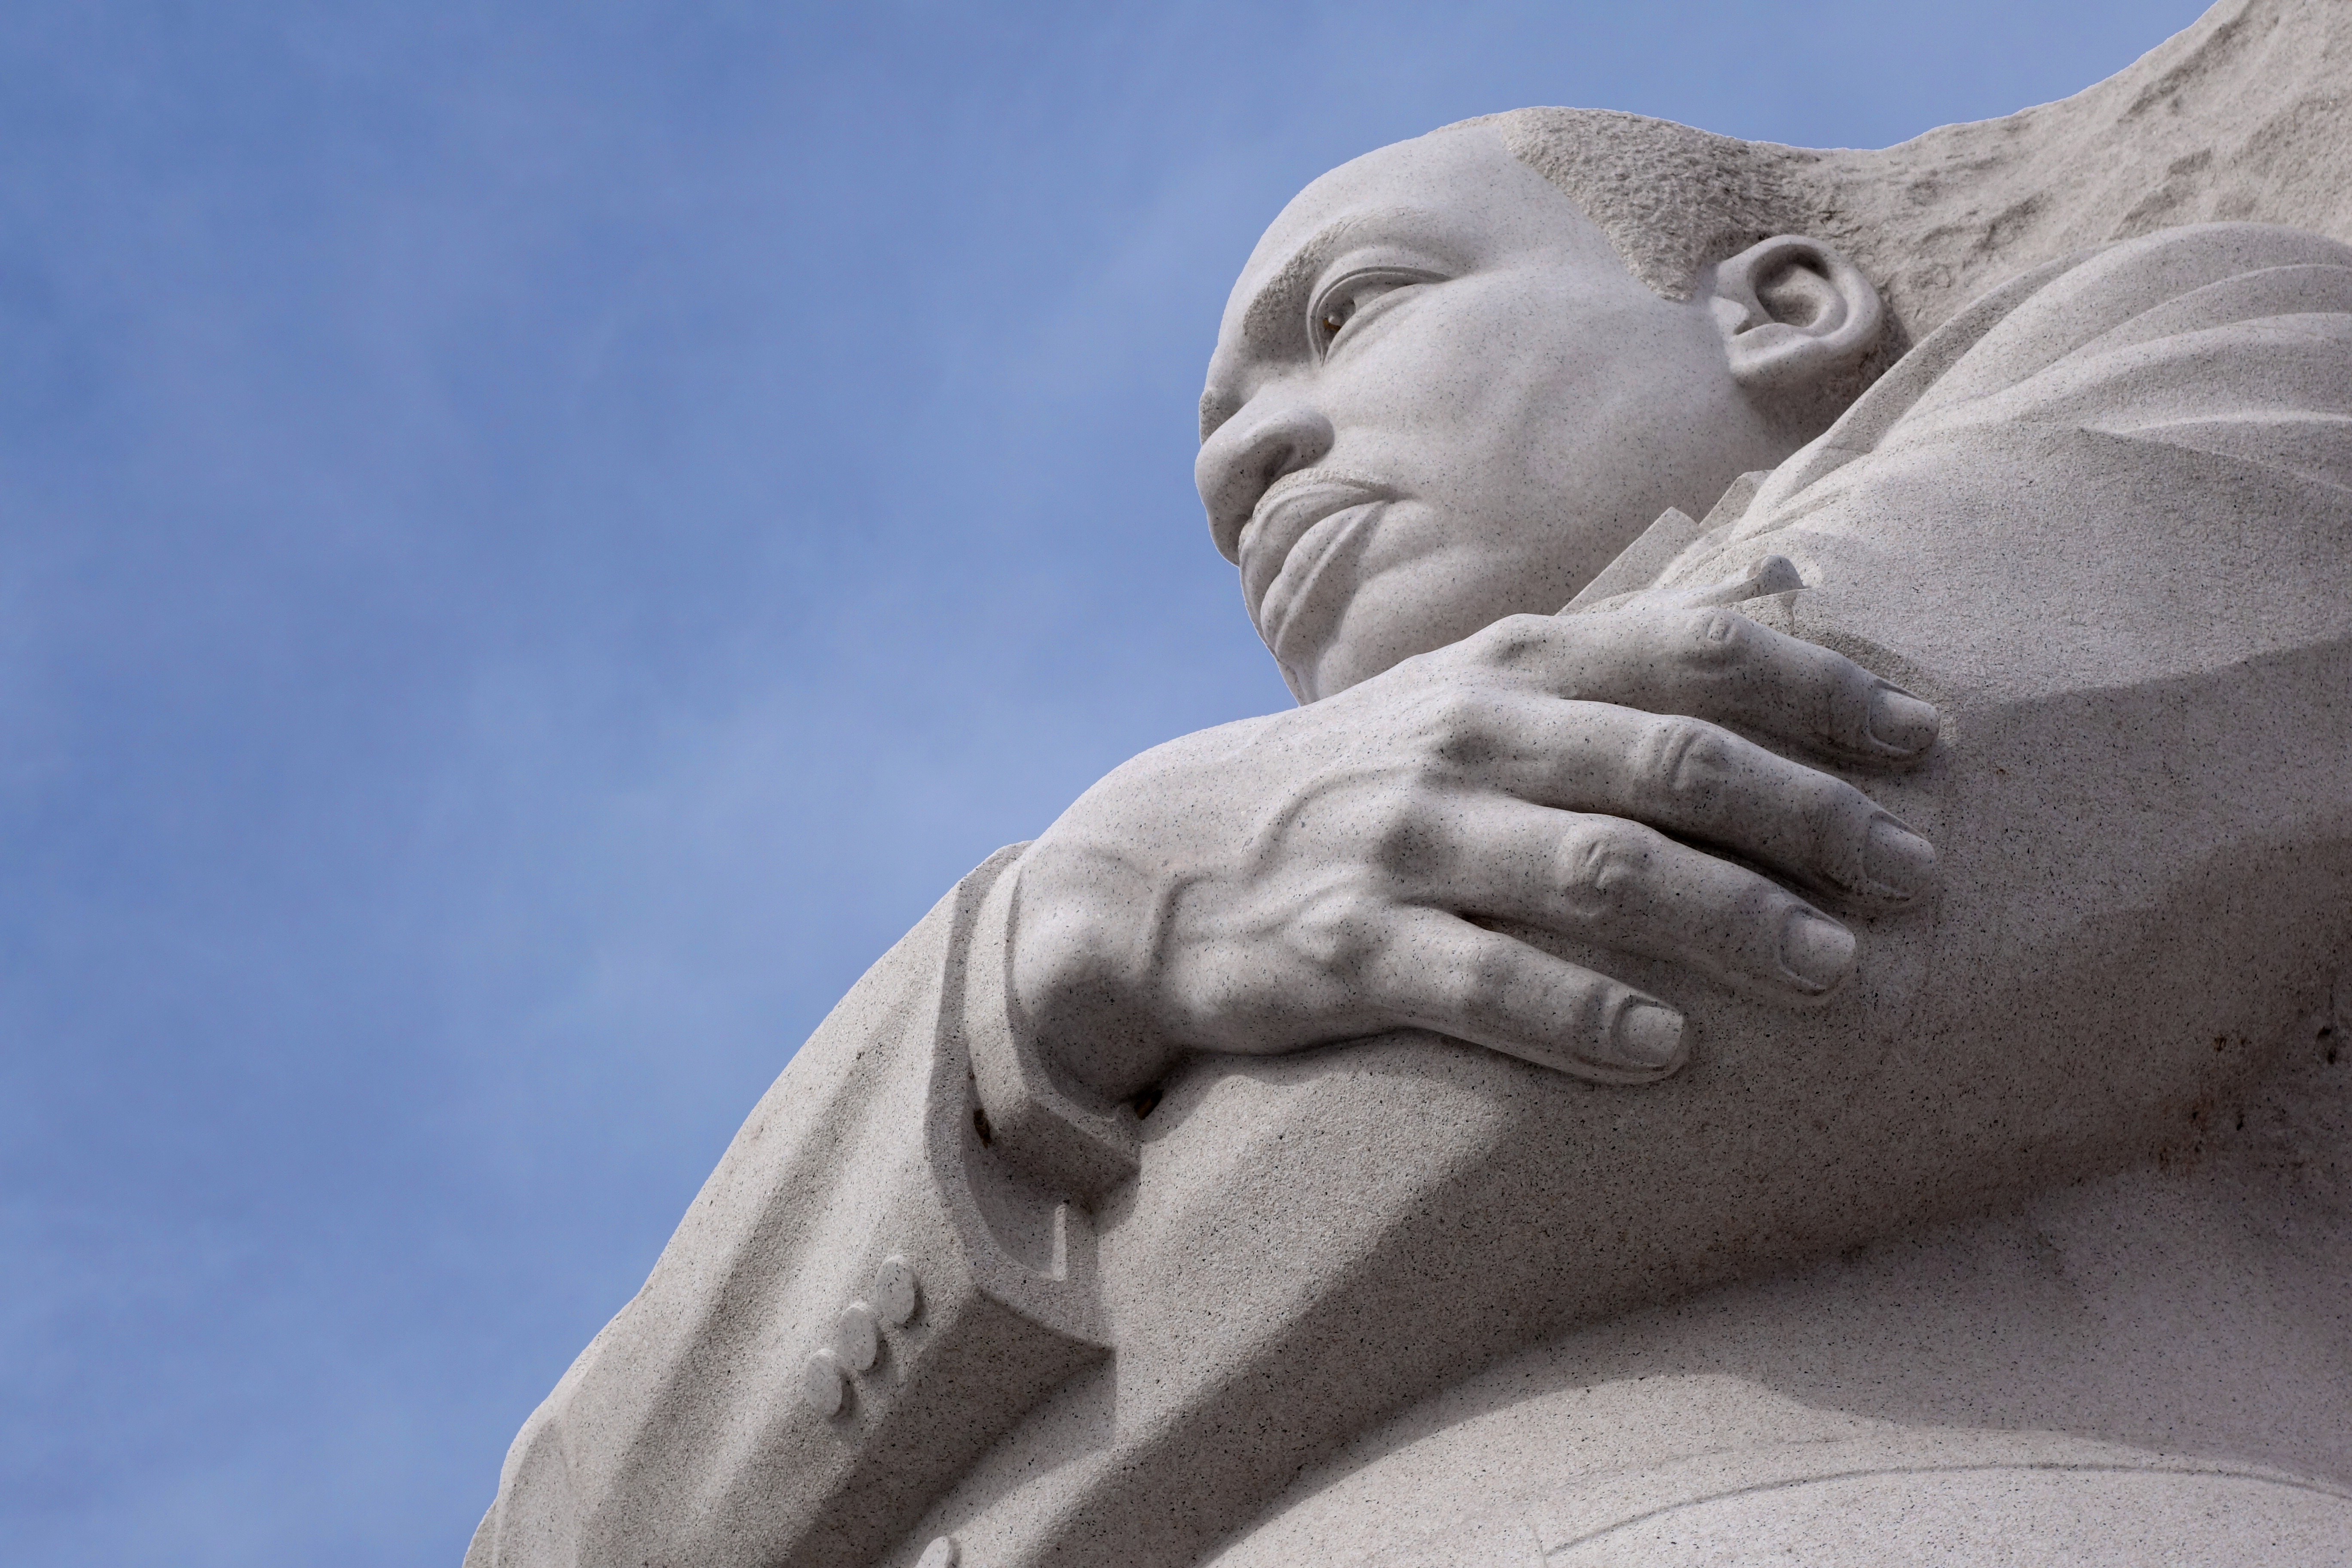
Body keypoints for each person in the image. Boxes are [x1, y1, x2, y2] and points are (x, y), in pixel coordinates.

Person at [467, 12, 2352, 1566]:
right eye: (1217, 473)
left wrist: (915, 1487)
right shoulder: (1129, 917)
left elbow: (1767, 960)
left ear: (1779, 304)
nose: (1252, 463)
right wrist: (1055, 948)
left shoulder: (2217, 363)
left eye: (1351, 312)